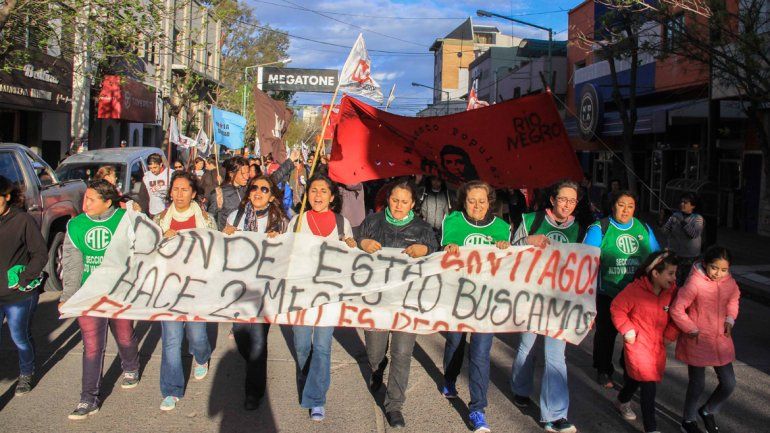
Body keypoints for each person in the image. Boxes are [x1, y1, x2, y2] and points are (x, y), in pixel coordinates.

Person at [358, 179, 438, 428]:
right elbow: (349, 248)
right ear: (388, 199)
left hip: (408, 301)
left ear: (413, 204)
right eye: (395, 200)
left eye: (405, 202)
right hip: (377, 301)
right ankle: (377, 367)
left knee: (402, 354)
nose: (399, 206)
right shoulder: (372, 222)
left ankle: (394, 405)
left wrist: (425, 249)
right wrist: (362, 243)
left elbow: (436, 253)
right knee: (375, 353)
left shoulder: (423, 228)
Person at [60, 180, 140, 419]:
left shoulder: (125, 219)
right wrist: (68, 296)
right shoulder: (75, 225)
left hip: (120, 291)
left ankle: (131, 366)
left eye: (92, 199)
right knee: (93, 346)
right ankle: (88, 398)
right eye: (85, 198)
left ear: (108, 202)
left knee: (124, 335)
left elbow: (145, 248)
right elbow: (72, 265)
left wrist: (137, 212)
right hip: (90, 294)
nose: (85, 203)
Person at [510, 180, 584, 433]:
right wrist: (528, 239)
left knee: (556, 358)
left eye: (572, 201)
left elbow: (583, 269)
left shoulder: (579, 229)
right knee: (527, 347)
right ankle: (520, 390)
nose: (567, 205)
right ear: (552, 199)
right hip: (530, 296)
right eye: (563, 199)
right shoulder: (531, 219)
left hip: (560, 302)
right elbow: (509, 251)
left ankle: (556, 414)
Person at [439, 180, 510, 433]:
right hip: (457, 298)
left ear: (490, 201)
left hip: (486, 302)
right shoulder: (453, 221)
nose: (477, 206)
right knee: (455, 344)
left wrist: (505, 249)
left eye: (482, 201)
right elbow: (442, 254)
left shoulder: (502, 228)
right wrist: (449, 249)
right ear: (463, 201)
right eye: (472, 201)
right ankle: (449, 377)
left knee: (480, 354)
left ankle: (477, 409)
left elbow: (511, 267)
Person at [287, 174, 356, 421]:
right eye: (313, 191)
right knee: (303, 345)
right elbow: (285, 256)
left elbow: (348, 261)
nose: (317, 196)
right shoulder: (297, 221)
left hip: (330, 294)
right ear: (307, 195)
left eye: (323, 191)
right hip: (301, 293)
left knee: (323, 346)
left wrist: (350, 246)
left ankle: (316, 398)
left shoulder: (341, 223)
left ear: (332, 196)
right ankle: (307, 380)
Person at [222, 176, 288, 410]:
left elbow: (286, 256)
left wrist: (279, 240)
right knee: (241, 337)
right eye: (254, 188)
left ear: (271, 196)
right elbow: (223, 252)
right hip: (239, 289)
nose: (258, 192)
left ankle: (253, 392)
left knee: (259, 341)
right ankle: (254, 365)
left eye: (264, 189)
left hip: (265, 290)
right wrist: (226, 236)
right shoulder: (235, 218)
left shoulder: (279, 221)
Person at [154, 172, 217, 411]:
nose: (179, 194)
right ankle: (171, 390)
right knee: (171, 340)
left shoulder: (206, 219)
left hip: (196, 288)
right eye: (175, 189)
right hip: (167, 289)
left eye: (184, 190)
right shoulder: (159, 219)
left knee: (197, 335)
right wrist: (162, 239)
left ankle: (202, 356)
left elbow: (214, 250)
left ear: (193, 193)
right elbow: (147, 250)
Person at [584, 191, 661, 388]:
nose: (625, 210)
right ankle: (603, 369)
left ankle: (629, 367)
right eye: (621, 205)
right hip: (608, 292)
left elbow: (657, 257)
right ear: (613, 206)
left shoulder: (643, 228)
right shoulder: (600, 228)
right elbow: (585, 261)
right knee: (606, 335)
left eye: (630, 206)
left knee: (635, 335)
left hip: (637, 294)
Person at [670, 246, 739, 433]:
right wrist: (691, 328)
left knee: (729, 383)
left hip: (720, 341)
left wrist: (730, 319)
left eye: (724, 269)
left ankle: (708, 411)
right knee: (697, 384)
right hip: (697, 340)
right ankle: (688, 420)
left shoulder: (729, 282)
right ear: (706, 264)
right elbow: (677, 308)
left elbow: (734, 299)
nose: (718, 273)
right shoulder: (695, 282)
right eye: (714, 268)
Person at [610, 251, 680, 433]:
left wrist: (670, 334)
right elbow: (617, 308)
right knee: (648, 383)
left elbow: (677, 314)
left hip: (657, 346)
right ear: (655, 273)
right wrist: (627, 329)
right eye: (670, 273)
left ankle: (622, 400)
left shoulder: (671, 292)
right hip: (637, 345)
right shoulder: (634, 290)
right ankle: (651, 427)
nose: (674, 278)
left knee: (635, 379)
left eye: (675, 273)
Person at [0, 176, 47, 397]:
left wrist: (25, 278)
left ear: (6, 197)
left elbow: (40, 254)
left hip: (19, 293)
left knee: (19, 336)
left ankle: (26, 373)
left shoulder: (22, 220)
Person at [662, 192, 704, 286]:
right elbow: (665, 231)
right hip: (675, 253)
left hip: (690, 256)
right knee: (674, 280)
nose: (682, 204)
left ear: (693, 206)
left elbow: (694, 234)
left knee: (688, 281)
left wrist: (683, 222)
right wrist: (662, 221)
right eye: (681, 202)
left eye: (685, 202)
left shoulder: (697, 218)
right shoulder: (675, 216)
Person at [419, 176, 453, 240]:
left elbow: (447, 213)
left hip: (441, 230)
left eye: (438, 180)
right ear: (430, 180)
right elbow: (422, 210)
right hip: (427, 229)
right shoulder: (425, 193)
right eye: (434, 179)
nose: (436, 182)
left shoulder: (446, 195)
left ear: (442, 182)